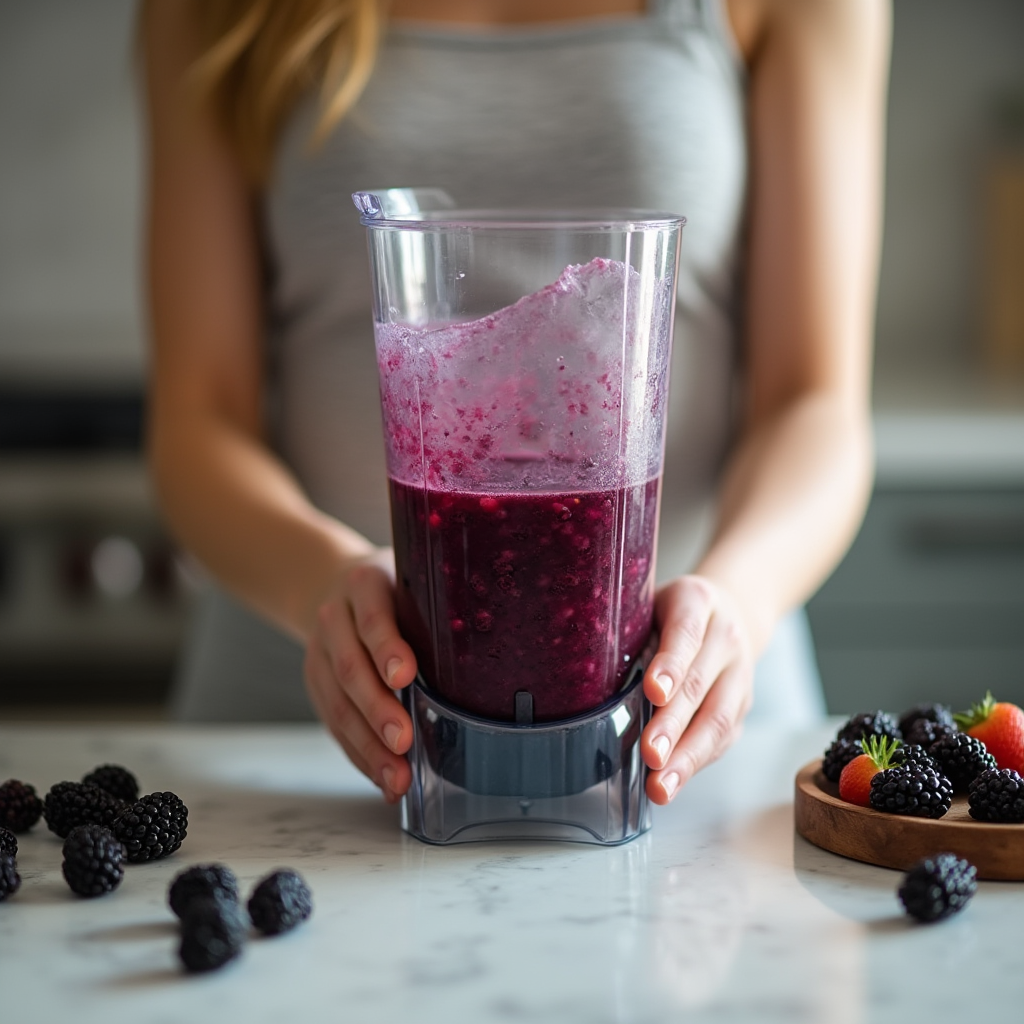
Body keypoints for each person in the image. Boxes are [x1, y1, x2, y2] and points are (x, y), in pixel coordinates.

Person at [142, 0, 889, 806]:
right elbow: (199, 413)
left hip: (683, 713)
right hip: (306, 719)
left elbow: (813, 402)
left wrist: (739, 595)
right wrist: (321, 584)